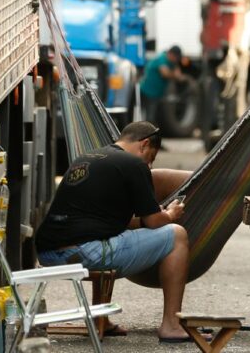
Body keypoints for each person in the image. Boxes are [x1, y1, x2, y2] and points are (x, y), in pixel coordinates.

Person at [35, 121, 194, 344]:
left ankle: (101, 317)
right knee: (177, 235)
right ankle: (171, 325)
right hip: (86, 254)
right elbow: (154, 222)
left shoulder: (88, 158)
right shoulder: (134, 165)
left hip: (48, 254)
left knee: (110, 236)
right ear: (144, 144)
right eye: (151, 157)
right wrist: (170, 214)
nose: (149, 165)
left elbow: (111, 222)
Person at [139, 45, 184, 123]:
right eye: (176, 58)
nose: (176, 60)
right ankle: (147, 133)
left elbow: (178, 74)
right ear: (171, 54)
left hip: (155, 94)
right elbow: (165, 73)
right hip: (148, 92)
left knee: (153, 116)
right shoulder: (162, 58)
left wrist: (176, 73)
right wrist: (175, 75)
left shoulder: (171, 62)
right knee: (149, 117)